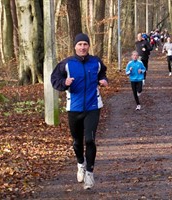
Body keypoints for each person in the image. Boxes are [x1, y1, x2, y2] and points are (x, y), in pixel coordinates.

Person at [51, 33, 108, 190]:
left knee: (89, 140)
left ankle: (89, 173)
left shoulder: (96, 62)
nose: (82, 47)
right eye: (80, 44)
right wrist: (64, 82)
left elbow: (102, 72)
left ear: (89, 46)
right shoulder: (66, 64)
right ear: (75, 46)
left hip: (93, 106)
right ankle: (80, 163)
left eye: (85, 44)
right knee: (77, 142)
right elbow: (54, 80)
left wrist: (104, 81)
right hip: (74, 108)